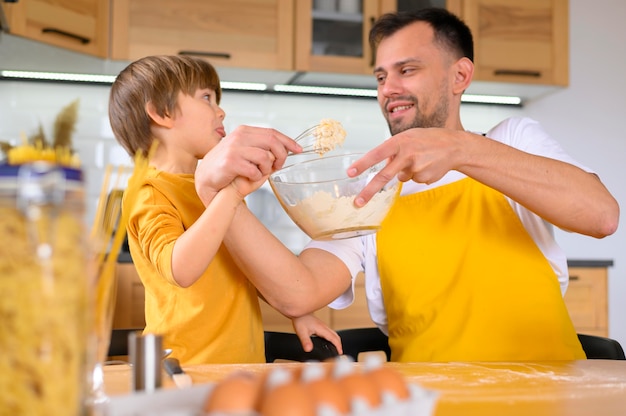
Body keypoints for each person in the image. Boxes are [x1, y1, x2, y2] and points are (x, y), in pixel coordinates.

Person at [210, 8, 619, 362]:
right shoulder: (369, 191)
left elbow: (601, 216)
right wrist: (222, 196)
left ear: (460, 75)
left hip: (551, 393)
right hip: (429, 399)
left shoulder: (512, 141)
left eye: (407, 70)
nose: (389, 89)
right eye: (381, 76)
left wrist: (461, 149)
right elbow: (296, 294)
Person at [108, 54, 341, 365]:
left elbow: (245, 266)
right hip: (185, 368)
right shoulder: (149, 192)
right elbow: (181, 269)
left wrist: (297, 312)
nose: (221, 110)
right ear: (161, 112)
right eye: (206, 97)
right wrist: (229, 196)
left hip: (240, 364)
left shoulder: (212, 189)